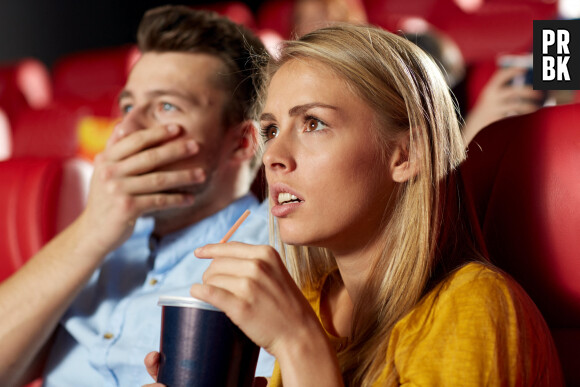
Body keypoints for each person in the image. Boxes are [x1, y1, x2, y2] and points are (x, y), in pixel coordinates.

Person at [145, 24, 563, 386]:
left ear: (406, 155)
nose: (273, 155)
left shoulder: (475, 306)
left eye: (314, 123)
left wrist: (298, 345)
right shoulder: (313, 299)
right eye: (271, 129)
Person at [0, 5, 275, 386]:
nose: (126, 127)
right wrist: (91, 233)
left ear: (242, 142)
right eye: (128, 105)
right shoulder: (100, 236)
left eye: (166, 106)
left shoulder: (278, 255)